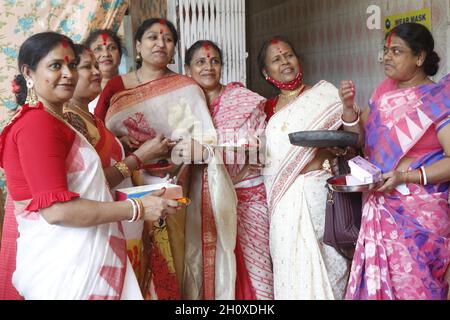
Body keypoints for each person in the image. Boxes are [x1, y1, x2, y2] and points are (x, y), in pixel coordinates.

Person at [0, 32, 179, 300]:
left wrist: (141, 199)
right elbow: (58, 211)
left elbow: (86, 190)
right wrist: (138, 208)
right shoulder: (37, 125)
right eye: (55, 66)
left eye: (72, 65)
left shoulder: (57, 121)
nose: (68, 74)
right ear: (28, 72)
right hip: (67, 268)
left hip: (84, 259)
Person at [94, 18, 238, 300]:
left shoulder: (186, 86)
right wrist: (127, 149)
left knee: (177, 255)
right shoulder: (115, 86)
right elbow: (98, 134)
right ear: (137, 45)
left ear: (174, 49)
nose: (160, 44)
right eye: (152, 38)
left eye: (168, 39)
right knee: (135, 258)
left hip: (177, 184)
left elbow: (206, 140)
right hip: (128, 184)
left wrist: (178, 160)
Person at [340, 23, 450, 300]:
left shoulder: (438, 99)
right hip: (380, 204)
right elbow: (359, 140)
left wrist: (405, 177)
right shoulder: (384, 91)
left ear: (420, 57)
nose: (386, 57)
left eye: (397, 51)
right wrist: (348, 109)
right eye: (386, 51)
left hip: (421, 213)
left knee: (417, 288)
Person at [63, 43, 172, 285]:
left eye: (95, 66)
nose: (95, 71)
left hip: (120, 218)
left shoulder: (90, 118)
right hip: (99, 224)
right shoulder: (70, 121)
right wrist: (140, 156)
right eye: (85, 67)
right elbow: (90, 183)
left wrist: (119, 143)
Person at [258, 36, 349, 299]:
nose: (285, 62)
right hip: (284, 204)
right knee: (291, 268)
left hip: (322, 195)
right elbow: (263, 158)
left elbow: (353, 140)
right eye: (276, 59)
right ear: (266, 73)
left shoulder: (325, 95)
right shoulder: (265, 110)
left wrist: (338, 152)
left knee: (332, 266)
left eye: (289, 55)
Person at [184, 40, 273, 300]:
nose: (208, 67)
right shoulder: (185, 106)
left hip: (247, 197)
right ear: (188, 69)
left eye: (214, 61)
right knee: (212, 272)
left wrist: (252, 148)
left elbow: (260, 151)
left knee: (258, 272)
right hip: (205, 200)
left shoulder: (243, 101)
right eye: (200, 62)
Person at [84, 29, 123, 112]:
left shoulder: (131, 88)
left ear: (120, 56)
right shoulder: (82, 96)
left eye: (112, 48)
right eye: (98, 49)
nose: (106, 54)